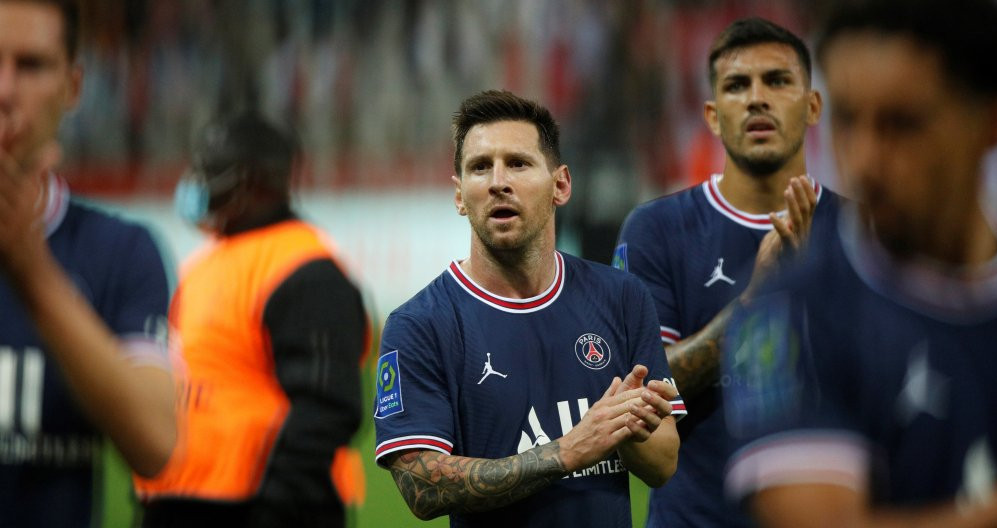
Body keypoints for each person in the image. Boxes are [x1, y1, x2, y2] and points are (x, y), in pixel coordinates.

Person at [722, 0, 997, 526]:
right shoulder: (786, 312)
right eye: (847, 121)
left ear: (988, 122)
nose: (866, 159)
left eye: (902, 124)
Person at [373, 89, 685, 528]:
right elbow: (422, 489)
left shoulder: (622, 297)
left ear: (560, 185)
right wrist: (566, 451)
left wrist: (627, 425)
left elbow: (664, 463)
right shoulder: (421, 324)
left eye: (518, 163)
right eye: (480, 167)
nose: (498, 181)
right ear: (460, 196)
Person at [613, 17, 842, 527]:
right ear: (714, 117)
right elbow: (643, 389)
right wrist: (755, 299)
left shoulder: (861, 232)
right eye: (738, 85)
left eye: (777, 81)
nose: (757, 98)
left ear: (813, 107)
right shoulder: (657, 230)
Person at [134, 113, 368, 528]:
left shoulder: (306, 269)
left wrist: (275, 506)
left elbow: (327, 408)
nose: (196, 180)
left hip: (260, 509)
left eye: (210, 170)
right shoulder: (205, 261)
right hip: (185, 500)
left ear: (251, 181)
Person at [0, 0, 175, 526]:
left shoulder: (120, 251)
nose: (5, 91)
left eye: (31, 66)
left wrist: (34, 276)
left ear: (73, 87)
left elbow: (156, 442)